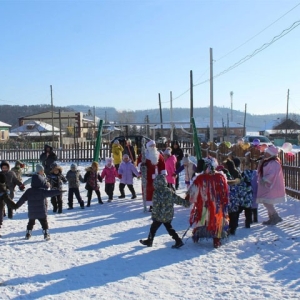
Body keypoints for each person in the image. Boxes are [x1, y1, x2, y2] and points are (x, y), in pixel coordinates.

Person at [187, 157, 229, 248]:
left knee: (205, 221)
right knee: (210, 221)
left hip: (208, 205)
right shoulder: (218, 177)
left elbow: (193, 191)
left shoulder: (202, 178)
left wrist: (189, 198)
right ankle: (213, 239)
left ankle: (201, 236)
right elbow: (224, 192)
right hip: (212, 205)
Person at [139, 174, 190, 248]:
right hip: (168, 214)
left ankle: (150, 241)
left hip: (159, 215)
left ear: (156, 183)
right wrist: (186, 203)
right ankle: (178, 240)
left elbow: (156, 206)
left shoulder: (156, 193)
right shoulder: (170, 191)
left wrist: (154, 215)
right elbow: (177, 200)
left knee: (154, 227)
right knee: (168, 227)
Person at [16, 172, 62, 240]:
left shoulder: (29, 191)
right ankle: (46, 234)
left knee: (30, 223)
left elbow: (22, 199)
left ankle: (28, 233)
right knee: (44, 223)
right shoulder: (42, 191)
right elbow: (51, 193)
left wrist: (16, 206)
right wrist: (59, 191)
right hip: (41, 212)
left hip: (32, 212)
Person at [257, 145, 286, 225]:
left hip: (271, 186)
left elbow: (272, 174)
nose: (265, 153)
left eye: (267, 152)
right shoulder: (268, 161)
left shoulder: (274, 163)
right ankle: (272, 218)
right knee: (267, 201)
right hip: (266, 186)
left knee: (267, 202)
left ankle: (275, 217)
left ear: (271, 154)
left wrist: (265, 179)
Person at [137, 140, 166, 211]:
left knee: (157, 190)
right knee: (149, 190)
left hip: (157, 176)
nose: (153, 147)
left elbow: (162, 164)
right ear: (148, 147)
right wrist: (142, 165)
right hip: (148, 176)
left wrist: (163, 173)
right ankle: (151, 205)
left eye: (154, 146)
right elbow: (138, 163)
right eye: (151, 146)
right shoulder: (144, 155)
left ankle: (157, 204)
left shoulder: (158, 154)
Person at [222, 158, 241, 235]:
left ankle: (230, 227)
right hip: (235, 195)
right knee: (234, 212)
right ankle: (234, 227)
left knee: (229, 212)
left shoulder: (225, 173)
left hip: (229, 195)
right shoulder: (236, 172)